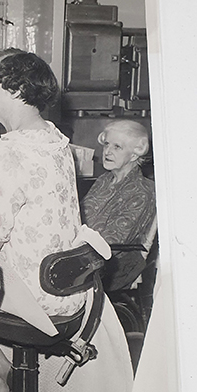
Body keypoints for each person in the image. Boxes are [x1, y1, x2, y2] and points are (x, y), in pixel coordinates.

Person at [0, 49, 138, 392]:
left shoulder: (10, 153)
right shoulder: (54, 138)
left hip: (34, 300)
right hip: (71, 288)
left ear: (17, 91)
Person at [81, 120, 156, 291]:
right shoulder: (103, 180)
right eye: (107, 144)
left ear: (134, 154)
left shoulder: (142, 191)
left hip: (113, 266)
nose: (107, 151)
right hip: (86, 252)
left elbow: (114, 240)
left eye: (117, 147)